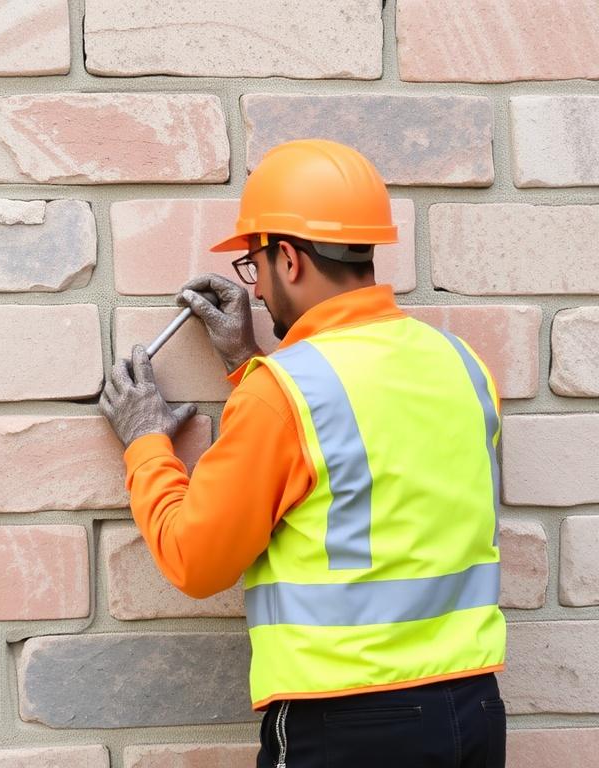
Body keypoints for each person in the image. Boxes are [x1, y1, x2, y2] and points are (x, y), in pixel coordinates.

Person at [100, 139, 507, 768]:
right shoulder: (462, 365)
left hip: (351, 726)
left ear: (287, 258)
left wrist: (146, 439)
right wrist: (247, 364)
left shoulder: (284, 393)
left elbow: (195, 560)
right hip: (473, 712)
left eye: (254, 265)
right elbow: (360, 460)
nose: (256, 287)